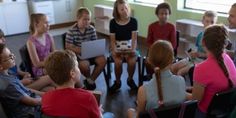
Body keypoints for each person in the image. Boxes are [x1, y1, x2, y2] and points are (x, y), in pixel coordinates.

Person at [127, 40, 189, 118]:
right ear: (172, 60)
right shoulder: (181, 81)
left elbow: (139, 116)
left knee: (130, 111)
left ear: (149, 61)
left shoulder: (143, 90)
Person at [191, 24, 236, 118]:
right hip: (225, 110)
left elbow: (195, 101)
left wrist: (183, 93)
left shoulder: (201, 68)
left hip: (205, 113)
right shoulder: (228, 59)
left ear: (203, 42)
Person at [42, 50, 101, 117]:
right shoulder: (88, 98)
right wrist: (99, 112)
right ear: (72, 73)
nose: (79, 69)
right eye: (77, 66)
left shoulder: (45, 98)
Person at [66, 7, 106, 90]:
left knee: (103, 60)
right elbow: (68, 46)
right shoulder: (71, 31)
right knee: (84, 65)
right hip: (79, 55)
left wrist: (95, 49)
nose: (87, 22)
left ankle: (90, 80)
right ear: (78, 18)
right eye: (84, 19)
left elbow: (94, 43)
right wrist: (80, 50)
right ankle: (89, 78)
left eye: (88, 19)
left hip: (91, 52)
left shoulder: (91, 29)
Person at [0, 44, 42, 118]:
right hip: (28, 113)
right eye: (10, 57)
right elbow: (32, 102)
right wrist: (49, 99)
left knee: (49, 90)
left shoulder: (8, 72)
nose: (14, 57)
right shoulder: (8, 84)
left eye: (11, 54)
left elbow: (24, 89)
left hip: (30, 103)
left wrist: (45, 95)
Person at [171, 11, 218, 76]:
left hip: (203, 62)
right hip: (193, 59)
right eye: (207, 21)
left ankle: (181, 84)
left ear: (215, 24)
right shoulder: (200, 35)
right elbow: (198, 49)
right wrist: (193, 53)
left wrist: (200, 54)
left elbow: (214, 56)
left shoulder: (214, 38)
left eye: (212, 22)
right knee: (172, 68)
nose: (209, 24)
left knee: (180, 72)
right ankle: (177, 84)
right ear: (203, 21)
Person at [109, 0, 138, 92]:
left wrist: (133, 50)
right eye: (122, 9)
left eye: (126, 8)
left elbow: (134, 39)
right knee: (118, 63)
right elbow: (112, 40)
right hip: (117, 46)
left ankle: (130, 79)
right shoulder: (113, 22)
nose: (125, 11)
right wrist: (115, 50)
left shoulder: (133, 21)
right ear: (117, 11)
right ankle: (117, 82)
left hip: (129, 46)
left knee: (132, 62)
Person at [145, 2, 176, 78]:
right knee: (148, 62)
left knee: (163, 63)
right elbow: (148, 41)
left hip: (167, 52)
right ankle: (153, 75)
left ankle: (161, 76)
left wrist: (166, 51)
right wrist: (154, 50)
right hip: (154, 50)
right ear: (157, 14)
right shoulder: (151, 26)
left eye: (166, 14)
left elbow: (174, 44)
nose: (164, 16)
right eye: (161, 13)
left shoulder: (172, 27)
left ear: (169, 15)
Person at [27, 13, 56, 78]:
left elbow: (54, 53)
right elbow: (36, 64)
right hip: (40, 69)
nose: (48, 25)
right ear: (36, 24)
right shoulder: (31, 42)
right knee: (59, 71)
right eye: (45, 23)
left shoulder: (49, 36)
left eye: (48, 22)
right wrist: (53, 63)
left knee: (67, 67)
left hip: (51, 64)